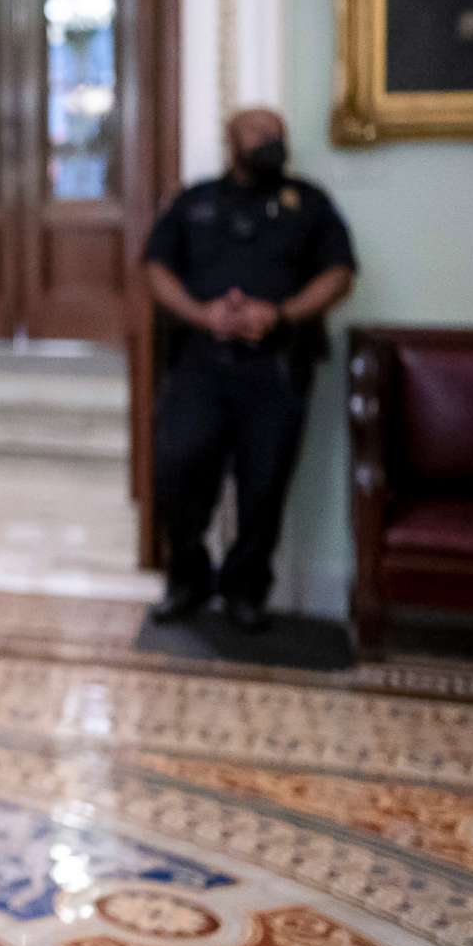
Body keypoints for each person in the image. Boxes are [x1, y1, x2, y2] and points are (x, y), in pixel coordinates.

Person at [143, 107, 356, 633]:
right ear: (232, 140)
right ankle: (188, 578)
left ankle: (245, 590)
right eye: (259, 133)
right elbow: (155, 266)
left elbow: (340, 272)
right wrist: (202, 314)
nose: (272, 142)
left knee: (264, 485)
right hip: (201, 364)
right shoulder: (195, 203)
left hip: (277, 367)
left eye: (279, 134)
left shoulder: (309, 204)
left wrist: (280, 313)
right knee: (180, 468)